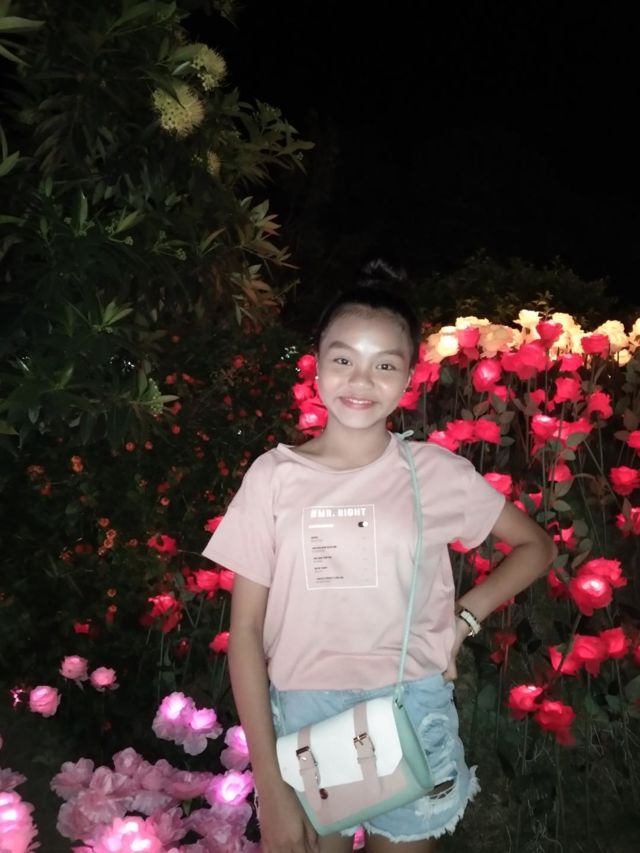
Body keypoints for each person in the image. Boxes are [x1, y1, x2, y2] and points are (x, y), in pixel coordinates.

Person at [202, 259, 556, 853]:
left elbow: (536, 546)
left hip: (409, 706)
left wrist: (463, 621)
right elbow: (245, 634)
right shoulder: (274, 477)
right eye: (343, 359)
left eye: (384, 365)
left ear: (409, 375)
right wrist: (269, 782)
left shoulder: (433, 472)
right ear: (317, 363)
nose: (360, 381)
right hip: (307, 715)